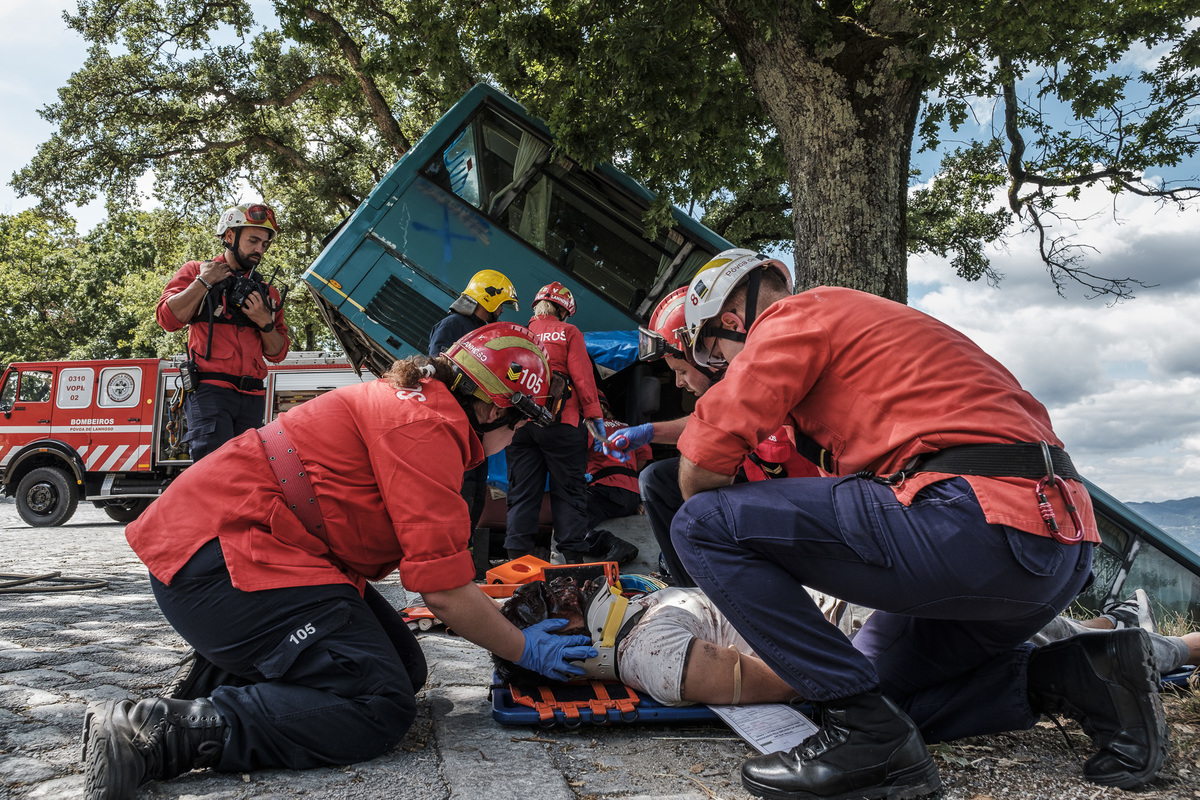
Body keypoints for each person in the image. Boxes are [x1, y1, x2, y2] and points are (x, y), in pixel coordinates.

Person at [665, 249, 1168, 797]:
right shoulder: (883, 334)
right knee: (887, 697)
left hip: (974, 523)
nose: (718, 372)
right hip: (1056, 550)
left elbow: (703, 462)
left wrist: (722, 548)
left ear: (732, 323)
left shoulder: (795, 316)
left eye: (717, 356)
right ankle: (1089, 674)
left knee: (699, 524)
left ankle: (864, 732)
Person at [80, 322, 597, 800]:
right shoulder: (425, 426)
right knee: (379, 703)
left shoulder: (418, 405)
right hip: (222, 565)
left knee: (405, 668)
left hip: (237, 552)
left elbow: (441, 569)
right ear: (492, 410)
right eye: (519, 425)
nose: (514, 439)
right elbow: (441, 590)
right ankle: (154, 733)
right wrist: (521, 646)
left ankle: (235, 681)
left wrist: (504, 628)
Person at [494, 579, 1199, 710]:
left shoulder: (643, 612)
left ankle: (1124, 629)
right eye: (551, 604)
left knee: (1052, 628)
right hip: (863, 628)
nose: (567, 590)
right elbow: (784, 679)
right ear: (569, 639)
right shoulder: (648, 652)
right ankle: (1179, 650)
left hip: (852, 610)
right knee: (1040, 639)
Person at [607, 285, 819, 586]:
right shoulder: (734, 387)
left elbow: (710, 438)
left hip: (802, 507)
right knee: (657, 480)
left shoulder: (757, 381)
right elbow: (706, 424)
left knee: (685, 489)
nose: (679, 383)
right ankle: (692, 590)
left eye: (681, 371)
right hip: (768, 485)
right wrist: (649, 432)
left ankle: (715, 585)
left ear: (702, 355)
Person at [157, 204, 290, 461]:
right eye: (253, 240)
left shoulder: (268, 294)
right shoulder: (196, 271)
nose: (259, 249)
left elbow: (277, 353)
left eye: (264, 243)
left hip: (252, 397)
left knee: (249, 474)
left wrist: (265, 322)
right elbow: (167, 319)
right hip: (210, 392)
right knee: (214, 471)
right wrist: (204, 282)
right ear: (229, 236)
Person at [505, 282, 606, 563]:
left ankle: (516, 560)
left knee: (522, 490)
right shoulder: (568, 332)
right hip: (562, 423)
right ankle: (572, 559)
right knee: (569, 490)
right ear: (564, 311)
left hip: (521, 423)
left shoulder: (519, 333)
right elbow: (584, 379)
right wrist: (595, 419)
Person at [427, 269, 520, 550]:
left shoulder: (483, 331)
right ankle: (452, 551)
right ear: (487, 299)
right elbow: (440, 371)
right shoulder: (451, 325)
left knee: (476, 491)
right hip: (458, 424)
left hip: (477, 428)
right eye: (501, 304)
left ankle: (464, 549)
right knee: (462, 489)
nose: (502, 310)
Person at [577, 392, 647, 565]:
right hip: (632, 496)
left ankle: (612, 545)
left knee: (569, 520)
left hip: (605, 491)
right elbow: (643, 457)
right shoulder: (628, 426)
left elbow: (575, 460)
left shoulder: (589, 427)